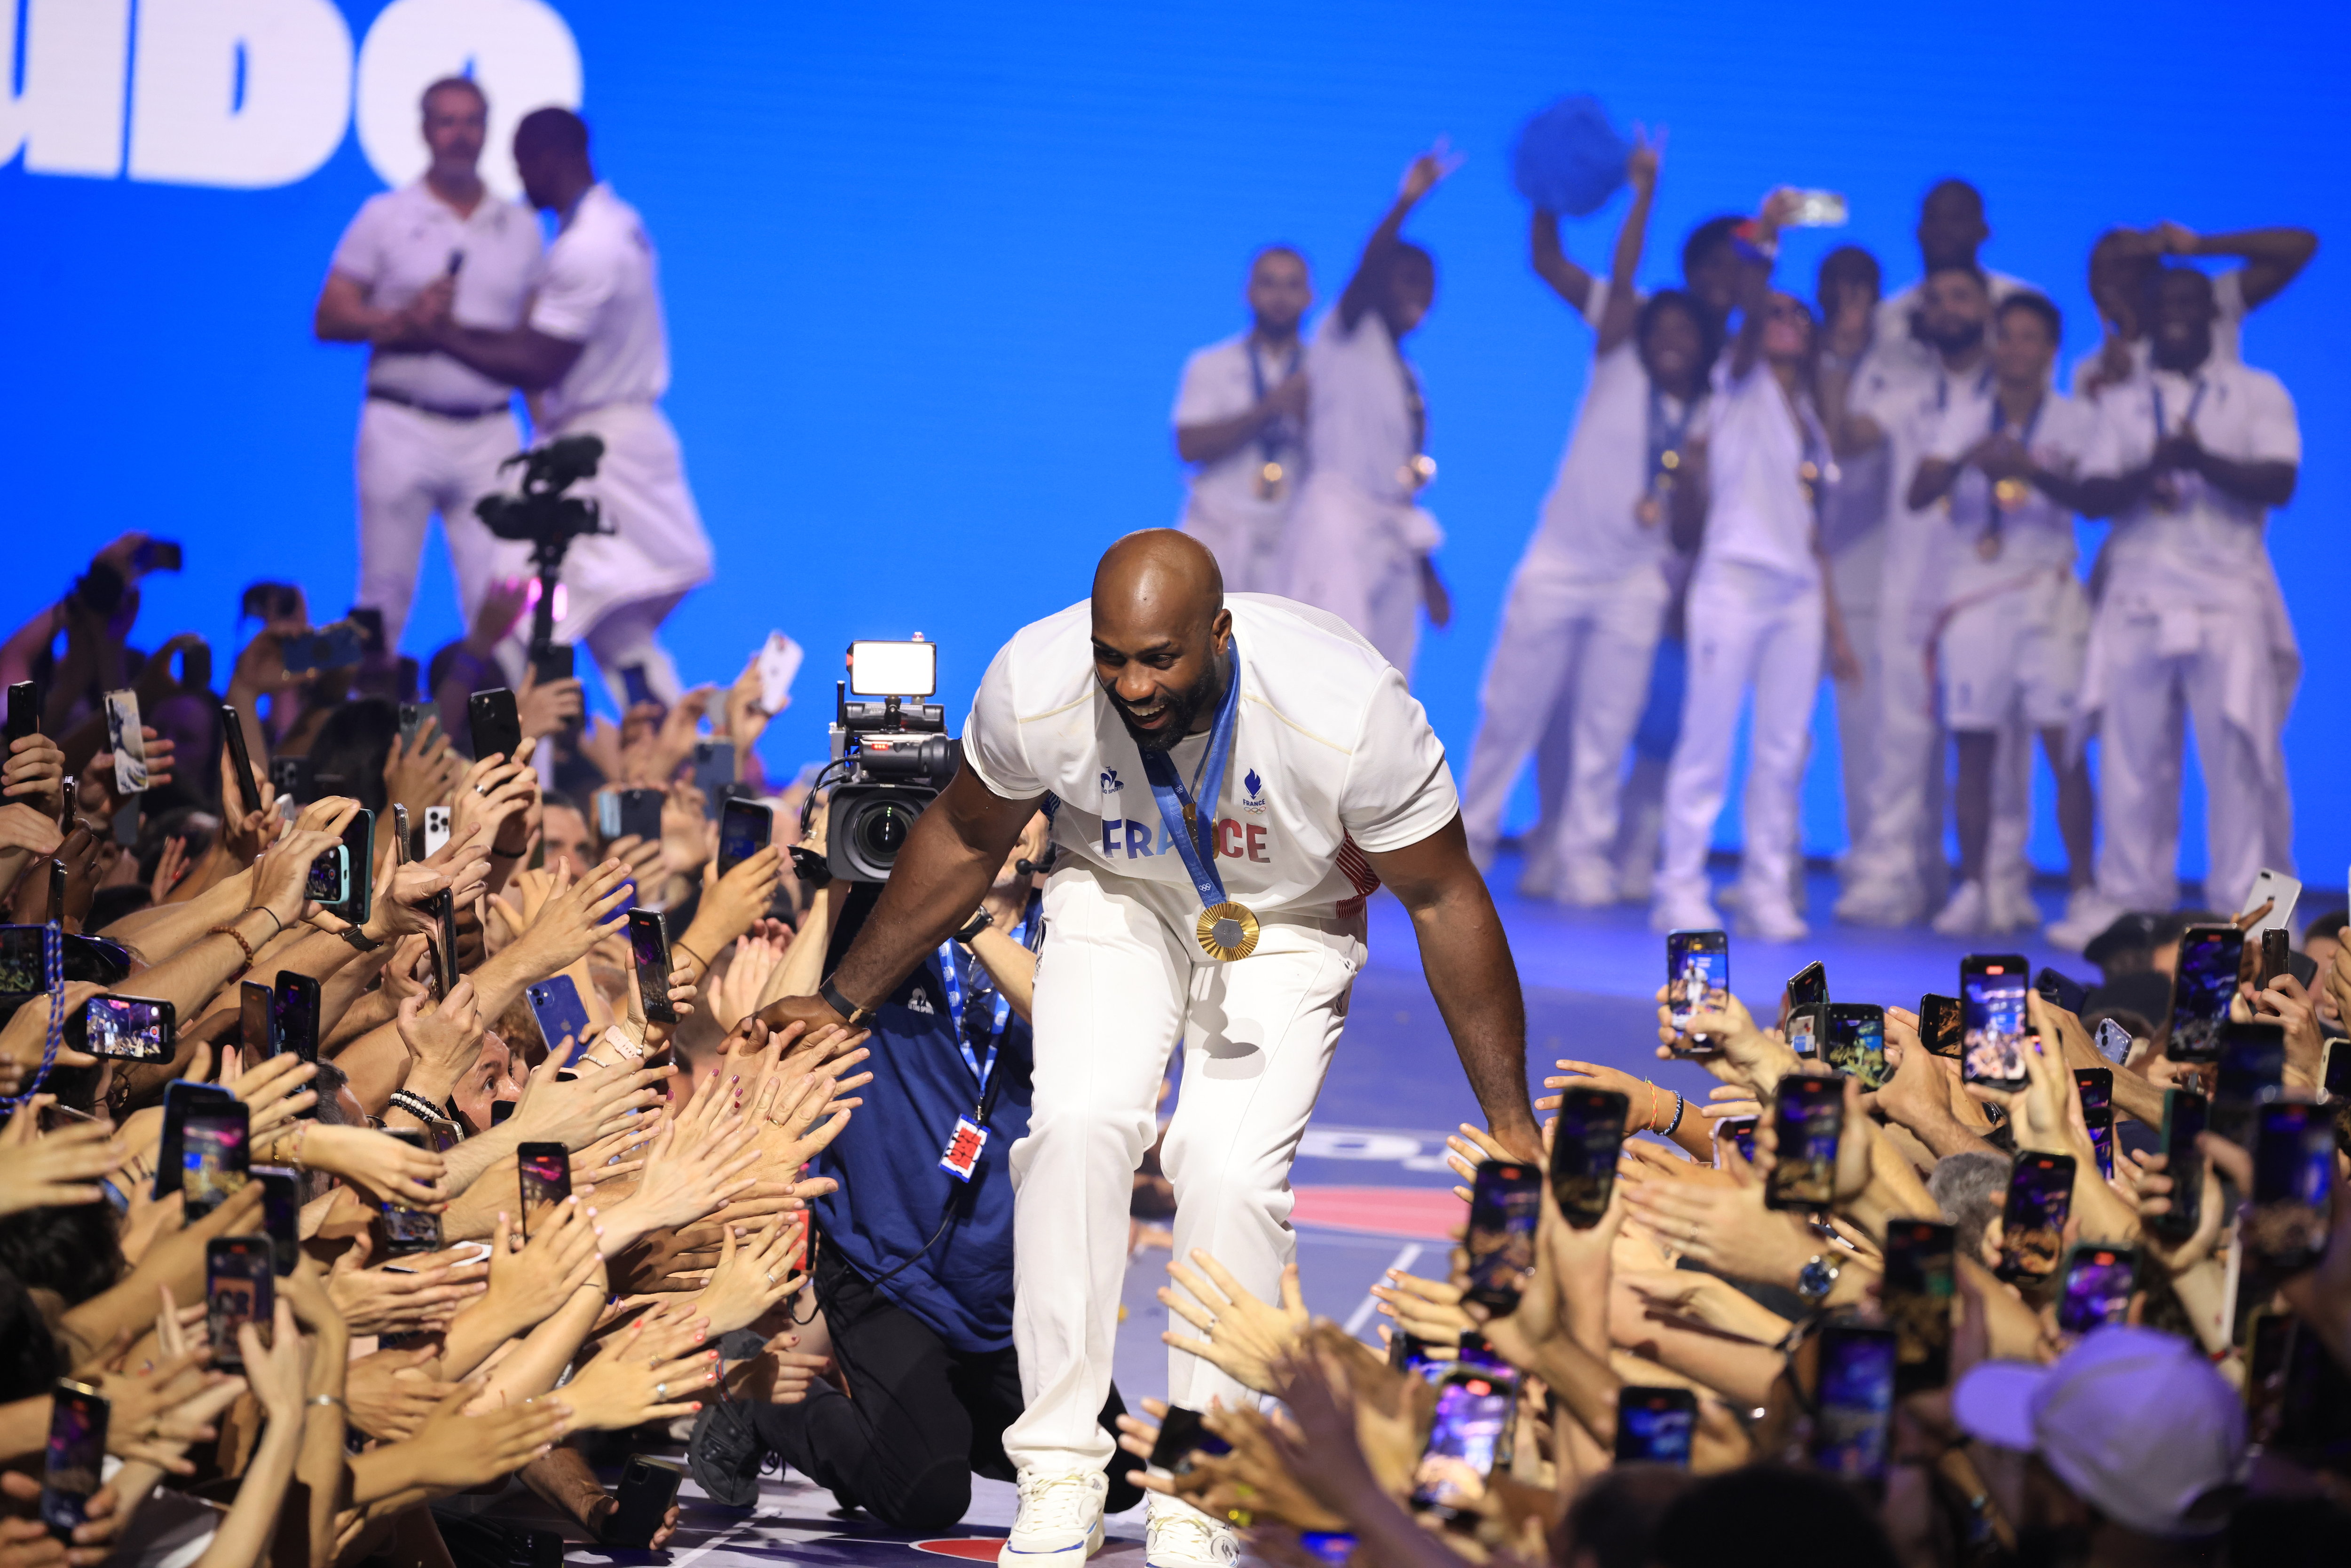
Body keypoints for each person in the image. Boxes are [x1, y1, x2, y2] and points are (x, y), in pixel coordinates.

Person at [757, 530, 1541, 1568]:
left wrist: (1511, 1121)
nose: (1130, 684)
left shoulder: (1345, 712)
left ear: (1218, 634)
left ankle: (1203, 1478)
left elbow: (1444, 898)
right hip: (1114, 893)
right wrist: (843, 998)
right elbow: (963, 834)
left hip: (1289, 918)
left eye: (1159, 658)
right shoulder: (1037, 682)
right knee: (1076, 1123)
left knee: (1222, 1166)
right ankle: (1058, 1468)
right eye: (1111, 656)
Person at [696, 808, 1146, 1527]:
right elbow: (768, 1030)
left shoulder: (1076, 928)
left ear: (1050, 829)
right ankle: (765, 1398)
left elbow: (1085, 1026)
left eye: (1027, 809)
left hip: (1003, 1280)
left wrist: (966, 920)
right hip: (883, 1262)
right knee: (928, 1493)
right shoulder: (886, 923)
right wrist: (834, 888)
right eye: (992, 808)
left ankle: (911, 1423)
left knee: (1119, 1474)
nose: (1007, 826)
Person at [1460, 134, 1714, 904]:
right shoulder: (1619, 356)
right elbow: (1577, 263)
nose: (1670, 341)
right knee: (1511, 711)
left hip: (1634, 579)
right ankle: (1469, 840)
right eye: (1659, 328)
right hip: (1561, 563)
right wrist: (1638, 194)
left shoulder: (1707, 412)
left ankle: (1585, 857)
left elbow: (1687, 529)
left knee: (1608, 728)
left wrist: (1696, 482)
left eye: (1685, 334)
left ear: (1703, 349)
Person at [412, 107, 715, 709]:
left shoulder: (590, 246)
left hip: (594, 458)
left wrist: (439, 331)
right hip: (607, 444)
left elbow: (536, 362)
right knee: (612, 627)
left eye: (522, 162)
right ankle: (670, 759)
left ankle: (493, 759)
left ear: (550, 157)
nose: (517, 176)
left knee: (512, 611)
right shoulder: (616, 224)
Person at [1823, 181, 2047, 930]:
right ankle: (1892, 874)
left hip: (1999, 573)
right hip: (1909, 572)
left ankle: (2000, 882)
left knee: (1999, 743)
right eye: (1939, 303)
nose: (1948, 311)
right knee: (1900, 735)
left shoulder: (2023, 315)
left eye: (1964, 304)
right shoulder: (1895, 332)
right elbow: (1850, 435)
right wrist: (1844, 351)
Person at [2054, 266, 2301, 937]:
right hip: (2138, 593)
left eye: (2193, 304)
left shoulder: (2257, 391)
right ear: (2150, 313)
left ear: (2215, 316)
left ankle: (2252, 926)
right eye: (2166, 304)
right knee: (2133, 762)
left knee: (2244, 759)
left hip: (2228, 594)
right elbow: (2094, 494)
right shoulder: (2121, 401)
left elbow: (2280, 481)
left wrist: (2198, 458)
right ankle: (2134, 912)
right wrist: (2152, 464)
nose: (2179, 316)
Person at [1650, 194, 1851, 941]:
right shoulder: (1735, 385)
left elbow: (1814, 528)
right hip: (1732, 582)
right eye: (1774, 313)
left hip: (1795, 594)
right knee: (1707, 740)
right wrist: (1766, 245)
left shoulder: (1813, 423)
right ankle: (1680, 886)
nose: (1783, 322)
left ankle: (1767, 887)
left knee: (1782, 750)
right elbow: (1748, 321)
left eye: (1797, 316)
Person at [315, 78, 544, 652]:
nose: (459, 135)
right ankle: (358, 739)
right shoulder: (386, 215)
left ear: (488, 130)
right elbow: (329, 316)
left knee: (504, 606)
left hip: (491, 431)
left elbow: (535, 342)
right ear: (423, 130)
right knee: (381, 600)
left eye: (471, 122)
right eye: (447, 121)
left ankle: (516, 745)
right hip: (401, 424)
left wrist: (547, 435)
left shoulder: (520, 227)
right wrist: (399, 320)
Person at [1906, 292, 2099, 934]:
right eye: (2006, 336)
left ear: (2050, 349)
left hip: (2046, 591)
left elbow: (2098, 498)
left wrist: (2028, 471)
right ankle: (1974, 888)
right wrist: (1969, 456)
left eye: (2029, 338)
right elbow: (1917, 492)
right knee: (1975, 750)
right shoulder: (1963, 414)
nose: (2016, 348)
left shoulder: (2075, 420)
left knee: (2063, 748)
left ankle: (2082, 891)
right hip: (1975, 595)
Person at [1279, 147, 1458, 680]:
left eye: (1428, 285)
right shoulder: (1345, 332)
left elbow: (1403, 485)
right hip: (1337, 523)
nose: (1419, 293)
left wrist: (1429, 574)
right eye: (1407, 278)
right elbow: (1367, 264)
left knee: (1384, 681)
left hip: (1391, 539)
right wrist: (1406, 201)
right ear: (1380, 281)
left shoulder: (1411, 382)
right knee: (1326, 671)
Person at [1171, 248, 1313, 594]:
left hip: (1294, 539)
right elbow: (1189, 446)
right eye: (1269, 284)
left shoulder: (1324, 373)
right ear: (1248, 293)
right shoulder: (1210, 364)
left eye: (1292, 285)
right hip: (1220, 533)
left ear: (1309, 297)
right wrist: (1267, 410)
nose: (1280, 297)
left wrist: (1311, 419)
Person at [2076, 220, 2319, 401]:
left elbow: (2301, 246)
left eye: (2124, 265)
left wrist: (2199, 246)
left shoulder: (2202, 304)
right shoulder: (2093, 370)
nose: (2108, 282)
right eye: (2099, 272)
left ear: (2155, 269)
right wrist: (2119, 386)